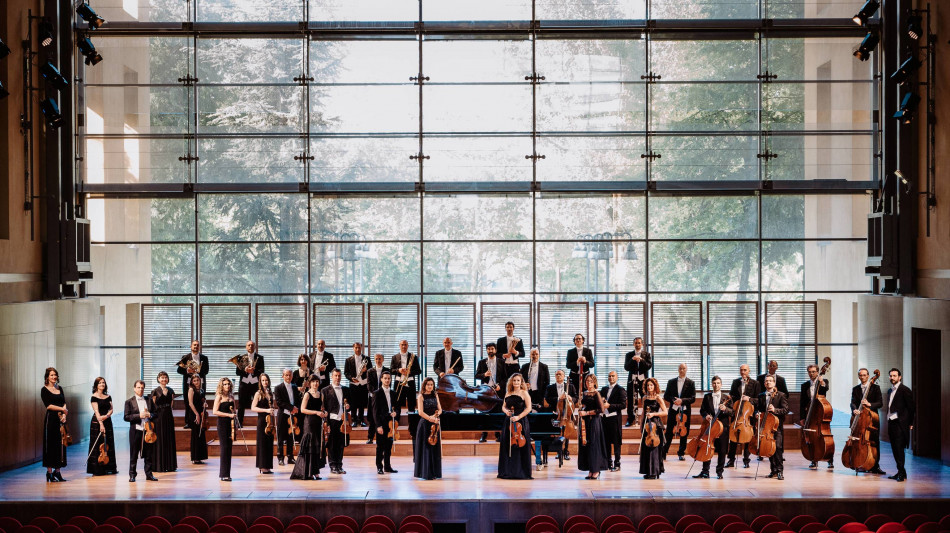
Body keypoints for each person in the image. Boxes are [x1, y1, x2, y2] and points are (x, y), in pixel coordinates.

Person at [693, 375, 733, 479]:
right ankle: (705, 472)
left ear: (721, 384)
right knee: (707, 447)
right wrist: (706, 415)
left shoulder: (726, 398)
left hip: (722, 428)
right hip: (710, 426)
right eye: (714, 383)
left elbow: (732, 412)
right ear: (712, 384)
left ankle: (719, 472)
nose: (716, 385)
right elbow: (702, 410)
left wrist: (725, 409)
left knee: (722, 450)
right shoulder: (707, 397)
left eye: (718, 383)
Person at [849, 367, 886, 475]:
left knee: (874, 442)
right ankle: (861, 463)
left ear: (868, 376)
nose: (862, 377)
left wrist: (870, 404)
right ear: (858, 376)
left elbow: (880, 403)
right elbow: (852, 402)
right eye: (860, 375)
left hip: (871, 419)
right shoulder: (855, 389)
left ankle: (875, 466)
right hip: (860, 419)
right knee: (858, 441)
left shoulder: (875, 388)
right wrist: (854, 409)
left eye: (864, 375)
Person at [497, 373, 533, 479]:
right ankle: (507, 471)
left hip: (520, 422)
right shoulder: (508, 393)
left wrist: (518, 417)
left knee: (520, 446)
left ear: (521, 382)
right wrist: (506, 412)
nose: (516, 383)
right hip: (508, 422)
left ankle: (520, 472)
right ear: (511, 382)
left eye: (518, 380)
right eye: (514, 380)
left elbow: (528, 408)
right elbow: (503, 407)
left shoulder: (524, 393)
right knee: (507, 445)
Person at [291, 375, 327, 480]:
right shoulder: (307, 394)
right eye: (313, 382)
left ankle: (315, 472)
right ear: (309, 383)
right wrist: (316, 412)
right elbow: (302, 409)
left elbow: (322, 408)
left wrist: (324, 413)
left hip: (318, 423)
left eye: (317, 381)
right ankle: (309, 473)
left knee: (316, 447)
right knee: (310, 447)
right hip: (309, 422)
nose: (315, 384)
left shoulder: (321, 394)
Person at [799, 363, 833, 469]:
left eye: (813, 371)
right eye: (809, 372)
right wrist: (802, 417)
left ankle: (829, 460)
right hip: (809, 414)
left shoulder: (823, 382)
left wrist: (821, 381)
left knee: (825, 437)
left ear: (818, 372)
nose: (811, 374)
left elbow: (825, 389)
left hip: (820, 414)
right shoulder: (804, 385)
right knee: (811, 437)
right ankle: (813, 459)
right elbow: (802, 402)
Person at [727, 364, 760, 468]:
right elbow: (732, 396)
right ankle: (731, 460)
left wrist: (749, 399)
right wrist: (730, 399)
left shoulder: (756, 383)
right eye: (741, 370)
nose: (743, 372)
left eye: (745, 370)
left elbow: (759, 399)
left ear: (749, 371)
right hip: (737, 413)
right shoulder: (735, 382)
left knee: (747, 438)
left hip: (748, 415)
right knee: (733, 437)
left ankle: (746, 460)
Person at [123, 379, 157, 482]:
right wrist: (139, 416)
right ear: (134, 388)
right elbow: (126, 417)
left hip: (148, 431)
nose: (140, 389)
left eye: (142, 388)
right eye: (138, 387)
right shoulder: (129, 402)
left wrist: (150, 414)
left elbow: (156, 413)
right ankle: (132, 475)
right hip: (136, 430)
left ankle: (149, 474)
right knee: (134, 454)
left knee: (149, 454)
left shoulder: (149, 400)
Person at [756, 374, 789, 480]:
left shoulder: (781, 395)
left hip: (776, 426)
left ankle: (780, 471)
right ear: (764, 383)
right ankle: (773, 471)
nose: (768, 382)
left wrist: (775, 410)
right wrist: (757, 413)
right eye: (766, 381)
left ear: (774, 383)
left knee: (778, 448)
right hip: (765, 427)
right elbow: (758, 409)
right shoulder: (761, 395)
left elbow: (785, 410)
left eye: (770, 381)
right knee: (768, 448)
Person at [885, 368, 915, 482]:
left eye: (894, 376)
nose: (892, 378)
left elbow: (911, 408)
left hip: (900, 423)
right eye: (891, 376)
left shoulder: (905, 390)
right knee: (894, 448)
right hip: (891, 423)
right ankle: (901, 471)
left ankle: (901, 474)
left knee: (899, 449)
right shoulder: (889, 390)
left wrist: (911, 423)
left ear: (899, 377)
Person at [577, 374, 609, 479]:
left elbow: (601, 410)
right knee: (587, 445)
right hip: (585, 422)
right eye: (587, 381)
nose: (588, 383)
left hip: (594, 421)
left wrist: (587, 413)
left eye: (590, 381)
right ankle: (590, 469)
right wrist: (581, 409)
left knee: (594, 445)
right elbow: (584, 406)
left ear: (594, 382)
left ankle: (596, 470)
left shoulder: (596, 393)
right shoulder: (584, 393)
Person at [663, 363, 696, 461]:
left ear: (686, 369)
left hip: (685, 411)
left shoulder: (691, 383)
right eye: (680, 368)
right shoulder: (671, 382)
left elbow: (693, 398)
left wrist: (682, 401)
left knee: (684, 433)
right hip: (673, 410)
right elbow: (666, 396)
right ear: (678, 370)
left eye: (684, 368)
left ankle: (681, 453)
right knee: (669, 432)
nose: (682, 370)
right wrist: (674, 400)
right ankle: (664, 452)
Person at [41, 367, 68, 482]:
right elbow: (49, 406)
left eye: (55, 375)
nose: (54, 377)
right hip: (51, 420)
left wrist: (64, 414)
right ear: (47, 377)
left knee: (60, 445)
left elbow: (64, 403)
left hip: (60, 420)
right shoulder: (44, 389)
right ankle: (49, 473)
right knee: (50, 445)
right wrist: (62, 409)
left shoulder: (60, 388)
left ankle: (58, 472)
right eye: (51, 375)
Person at [476, 343, 507, 443]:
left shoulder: (502, 362)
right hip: (485, 391)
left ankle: (498, 434)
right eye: (488, 349)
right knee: (485, 413)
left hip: (497, 391)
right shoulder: (482, 362)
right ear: (486, 350)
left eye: (492, 349)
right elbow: (476, 375)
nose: (490, 350)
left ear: (496, 350)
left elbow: (505, 378)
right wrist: (484, 374)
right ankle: (483, 435)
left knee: (497, 413)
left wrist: (500, 386)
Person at [320, 368, 349, 474]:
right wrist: (326, 422)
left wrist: (348, 406)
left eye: (339, 376)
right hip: (332, 420)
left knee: (341, 444)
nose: (337, 378)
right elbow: (324, 408)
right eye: (335, 376)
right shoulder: (325, 390)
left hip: (343, 420)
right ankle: (333, 465)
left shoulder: (346, 389)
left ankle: (339, 465)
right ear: (332, 376)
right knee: (332, 444)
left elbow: (348, 405)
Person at [414, 376, 443, 480]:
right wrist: (430, 419)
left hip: (435, 424)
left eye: (431, 385)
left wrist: (436, 416)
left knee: (434, 448)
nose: (430, 386)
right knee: (426, 448)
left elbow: (440, 409)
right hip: (425, 424)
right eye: (428, 385)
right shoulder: (420, 396)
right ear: (424, 385)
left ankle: (435, 472)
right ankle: (426, 473)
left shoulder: (435, 394)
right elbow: (420, 412)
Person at [87, 376, 117, 476]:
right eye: (99, 383)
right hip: (97, 422)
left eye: (103, 382)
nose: (102, 384)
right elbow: (96, 411)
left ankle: (109, 467)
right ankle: (97, 469)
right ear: (96, 385)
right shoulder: (94, 397)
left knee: (108, 443)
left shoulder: (108, 396)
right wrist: (101, 423)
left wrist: (107, 416)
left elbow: (111, 409)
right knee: (97, 445)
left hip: (107, 421)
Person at [544, 369, 576, 460]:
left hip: (567, 413)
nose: (559, 376)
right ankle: (558, 451)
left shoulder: (570, 386)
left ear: (564, 376)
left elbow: (576, 397)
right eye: (557, 374)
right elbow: (547, 399)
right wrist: (559, 398)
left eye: (560, 374)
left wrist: (571, 398)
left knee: (567, 433)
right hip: (556, 413)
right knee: (556, 433)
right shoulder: (550, 387)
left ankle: (566, 451)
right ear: (555, 376)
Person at [148, 371, 177, 472]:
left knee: (168, 438)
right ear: (158, 379)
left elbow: (172, 404)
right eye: (162, 377)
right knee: (160, 439)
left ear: (167, 379)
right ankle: (159, 465)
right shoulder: (155, 391)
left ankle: (170, 465)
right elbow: (153, 405)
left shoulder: (171, 390)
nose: (164, 379)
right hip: (159, 417)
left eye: (165, 377)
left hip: (168, 416)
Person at [639, 377, 667, 479]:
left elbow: (665, 412)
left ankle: (654, 471)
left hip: (655, 425)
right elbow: (643, 413)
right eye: (648, 385)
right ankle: (648, 471)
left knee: (654, 449)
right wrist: (641, 425)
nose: (649, 387)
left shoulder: (658, 398)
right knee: (646, 449)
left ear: (655, 386)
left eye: (651, 385)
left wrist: (654, 414)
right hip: (647, 425)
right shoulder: (644, 398)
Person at [373, 371, 399, 475]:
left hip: (390, 423)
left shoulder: (394, 393)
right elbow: (375, 411)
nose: (387, 380)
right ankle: (379, 467)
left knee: (389, 446)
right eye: (385, 378)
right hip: (381, 423)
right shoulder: (376, 393)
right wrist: (378, 426)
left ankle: (387, 466)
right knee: (380, 447)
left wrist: (396, 413)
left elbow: (398, 408)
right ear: (381, 379)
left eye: (389, 378)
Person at [600, 370, 626, 471]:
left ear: (617, 377)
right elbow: (601, 399)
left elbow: (623, 405)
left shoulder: (620, 389)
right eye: (609, 376)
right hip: (605, 418)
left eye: (613, 376)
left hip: (614, 419)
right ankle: (608, 462)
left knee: (616, 442)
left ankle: (617, 463)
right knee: (606, 442)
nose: (611, 378)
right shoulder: (604, 389)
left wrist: (610, 405)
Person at [212, 377, 237, 481]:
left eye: (228, 384)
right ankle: (223, 474)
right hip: (222, 424)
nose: (227, 386)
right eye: (225, 384)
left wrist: (235, 422)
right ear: (221, 386)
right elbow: (215, 411)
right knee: (224, 448)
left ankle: (227, 474)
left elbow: (235, 411)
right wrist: (228, 415)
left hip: (230, 424)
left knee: (229, 449)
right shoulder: (219, 397)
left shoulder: (232, 397)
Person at [624, 337, 652, 427]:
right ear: (633, 344)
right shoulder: (629, 355)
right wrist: (632, 360)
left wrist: (641, 360)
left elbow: (649, 366)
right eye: (636, 343)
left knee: (645, 398)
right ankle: (630, 419)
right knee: (631, 399)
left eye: (639, 343)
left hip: (643, 380)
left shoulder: (647, 354)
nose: (637, 344)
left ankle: (646, 418)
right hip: (632, 379)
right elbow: (626, 367)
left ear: (642, 344)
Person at [274, 369, 300, 466]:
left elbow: (297, 400)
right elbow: (279, 402)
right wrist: (291, 407)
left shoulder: (294, 387)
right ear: (283, 376)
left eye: (290, 375)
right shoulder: (278, 388)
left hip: (292, 415)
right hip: (282, 415)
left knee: (290, 437)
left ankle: (290, 457)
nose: (288, 377)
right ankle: (280, 457)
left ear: (292, 376)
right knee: (280, 437)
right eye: (286, 375)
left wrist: (296, 409)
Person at [251, 373, 275, 474]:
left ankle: (268, 466)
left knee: (269, 443)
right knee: (262, 444)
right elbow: (253, 408)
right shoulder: (258, 393)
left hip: (270, 421)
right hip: (262, 420)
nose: (265, 382)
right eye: (263, 380)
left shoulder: (270, 393)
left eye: (266, 380)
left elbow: (272, 406)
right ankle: (262, 466)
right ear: (260, 382)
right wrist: (266, 410)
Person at [236, 340, 265, 426]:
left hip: (255, 384)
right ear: (246, 347)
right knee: (241, 404)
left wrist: (253, 371)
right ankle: (239, 423)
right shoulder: (241, 358)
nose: (250, 347)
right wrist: (245, 370)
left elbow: (262, 371)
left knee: (260, 403)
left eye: (252, 345)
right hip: (244, 384)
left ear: (255, 347)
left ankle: (262, 422)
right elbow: (237, 372)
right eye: (248, 345)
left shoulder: (260, 357)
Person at [344, 342, 370, 427]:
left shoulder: (367, 359)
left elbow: (371, 371)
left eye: (359, 347)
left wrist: (366, 370)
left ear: (361, 348)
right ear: (353, 348)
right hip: (353, 384)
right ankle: (354, 420)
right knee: (353, 403)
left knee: (362, 404)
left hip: (363, 384)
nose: (358, 349)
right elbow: (346, 373)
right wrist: (351, 378)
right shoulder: (348, 360)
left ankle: (361, 420)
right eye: (356, 347)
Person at [391, 339, 422, 412]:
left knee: (411, 404)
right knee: (397, 404)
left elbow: (419, 371)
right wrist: (399, 370)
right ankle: (396, 422)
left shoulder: (413, 357)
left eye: (405, 345)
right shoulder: (395, 357)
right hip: (399, 382)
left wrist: (410, 372)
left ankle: (412, 423)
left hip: (410, 383)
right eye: (402, 344)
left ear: (408, 346)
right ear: (399, 346)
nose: (404, 346)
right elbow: (391, 370)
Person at [185, 374, 208, 465]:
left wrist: (205, 405)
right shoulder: (191, 390)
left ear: (200, 381)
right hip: (194, 414)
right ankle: (195, 457)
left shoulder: (201, 390)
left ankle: (200, 457)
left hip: (200, 413)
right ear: (192, 382)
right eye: (194, 381)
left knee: (201, 435)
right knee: (195, 435)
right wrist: (197, 414)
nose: (196, 382)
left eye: (197, 380)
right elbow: (190, 403)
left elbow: (202, 401)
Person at [366, 353, 388, 444]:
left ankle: (385, 436)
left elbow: (388, 382)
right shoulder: (370, 371)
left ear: (382, 359)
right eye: (376, 359)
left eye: (379, 359)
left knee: (383, 416)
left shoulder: (386, 370)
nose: (378, 360)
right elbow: (369, 384)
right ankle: (370, 437)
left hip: (384, 397)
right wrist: (375, 394)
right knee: (372, 417)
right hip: (373, 397)